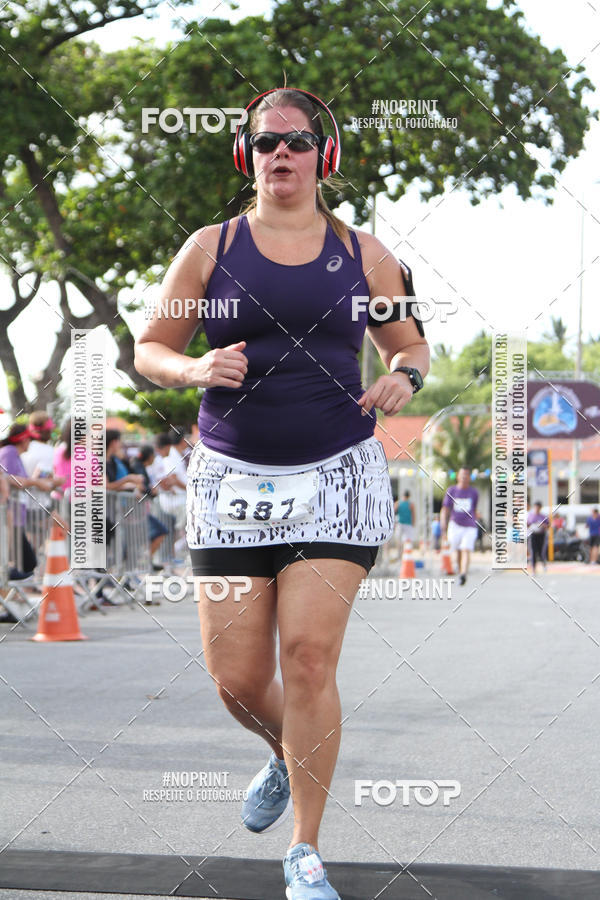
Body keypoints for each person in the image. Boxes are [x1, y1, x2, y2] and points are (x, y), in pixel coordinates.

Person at [134, 87, 429, 900]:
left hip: (336, 475)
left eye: (298, 142)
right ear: (246, 155)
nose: (281, 156)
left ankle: (304, 852)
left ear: (324, 156)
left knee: (307, 657)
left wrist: (403, 375)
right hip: (230, 483)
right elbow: (152, 345)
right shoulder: (210, 247)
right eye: (267, 144)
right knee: (234, 679)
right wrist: (193, 367)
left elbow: (408, 343)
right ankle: (280, 751)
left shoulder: (364, 253)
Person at [0, 423, 63, 577]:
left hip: (16, 514)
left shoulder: (14, 454)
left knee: (23, 563)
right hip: (9, 514)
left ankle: (9, 593)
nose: (30, 443)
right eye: (28, 440)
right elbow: (9, 479)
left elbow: (18, 480)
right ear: (23, 440)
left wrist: (40, 481)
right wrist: (36, 482)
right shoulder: (9, 452)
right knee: (21, 562)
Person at [440, 466, 478, 586]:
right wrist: (443, 523)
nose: (464, 477)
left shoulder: (474, 492)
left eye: (466, 475)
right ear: (458, 476)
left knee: (466, 549)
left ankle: (463, 574)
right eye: (462, 475)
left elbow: (474, 508)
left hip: (469, 525)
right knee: (456, 548)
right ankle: (459, 567)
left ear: (469, 478)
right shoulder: (452, 491)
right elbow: (445, 509)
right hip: (455, 524)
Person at [526, 501, 548, 574]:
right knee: (533, 551)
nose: (537, 509)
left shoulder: (543, 516)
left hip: (541, 535)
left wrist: (542, 526)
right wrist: (532, 526)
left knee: (541, 551)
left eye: (538, 507)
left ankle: (543, 564)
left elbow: (548, 525)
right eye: (536, 507)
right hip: (533, 535)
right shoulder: (530, 515)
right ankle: (533, 569)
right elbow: (527, 524)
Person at [394, 490, 415, 555]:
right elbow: (413, 514)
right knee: (408, 540)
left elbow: (393, 512)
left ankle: (399, 553)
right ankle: (406, 553)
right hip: (408, 524)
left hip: (400, 523)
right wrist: (413, 523)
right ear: (409, 496)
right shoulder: (411, 504)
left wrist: (393, 523)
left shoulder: (398, 503)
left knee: (398, 540)